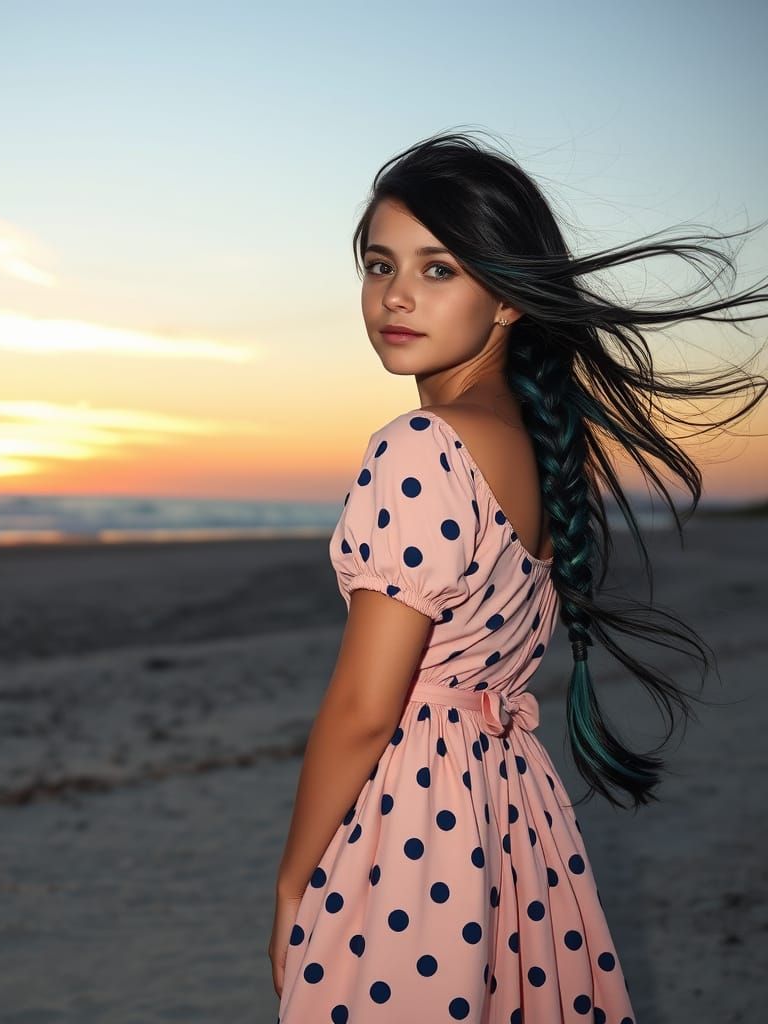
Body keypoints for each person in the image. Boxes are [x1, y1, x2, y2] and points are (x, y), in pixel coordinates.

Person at [269, 129, 768, 1022]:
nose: (396, 296)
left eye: (439, 269)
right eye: (380, 265)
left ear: (506, 298)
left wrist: (293, 880)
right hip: (508, 813)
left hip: (415, 824)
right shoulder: (536, 452)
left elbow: (363, 710)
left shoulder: (422, 445)